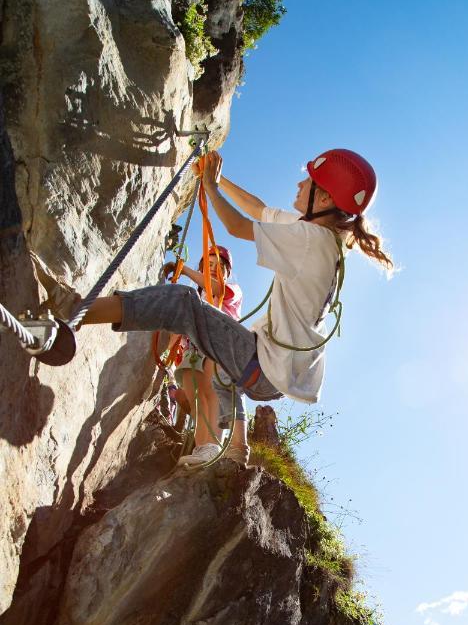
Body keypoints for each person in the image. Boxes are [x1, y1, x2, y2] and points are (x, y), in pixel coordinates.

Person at [81, 148, 393, 467]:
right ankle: (229, 450)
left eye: (309, 181)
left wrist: (212, 188)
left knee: (182, 303)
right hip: (276, 370)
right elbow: (258, 209)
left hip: (266, 366)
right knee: (217, 366)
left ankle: (74, 314)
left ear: (324, 199)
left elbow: (238, 226)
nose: (300, 184)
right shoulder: (325, 239)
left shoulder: (309, 239)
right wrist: (217, 178)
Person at [165, 246, 245, 465]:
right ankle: (203, 449)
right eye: (208, 266)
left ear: (227, 273)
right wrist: (168, 353)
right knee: (196, 398)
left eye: (219, 267)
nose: (213, 270)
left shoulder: (233, 290)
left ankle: (213, 445)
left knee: (212, 393)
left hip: (218, 344)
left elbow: (217, 290)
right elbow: (180, 325)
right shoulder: (194, 298)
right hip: (194, 348)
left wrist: (185, 271)